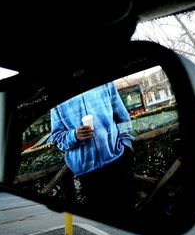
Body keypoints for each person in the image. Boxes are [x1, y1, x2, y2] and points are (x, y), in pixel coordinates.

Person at [49, 82, 135, 214]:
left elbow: (123, 119)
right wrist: (74, 135)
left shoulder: (105, 83)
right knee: (103, 225)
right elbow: (57, 138)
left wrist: (127, 147)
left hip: (117, 161)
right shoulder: (57, 96)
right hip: (88, 174)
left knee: (128, 215)